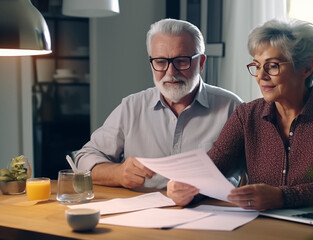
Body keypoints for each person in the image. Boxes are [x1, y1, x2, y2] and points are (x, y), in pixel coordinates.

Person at [167, 18, 313, 211]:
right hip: (260, 227)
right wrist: (187, 188)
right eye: (257, 66)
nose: (261, 76)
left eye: (272, 65)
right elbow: (211, 171)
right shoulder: (246, 115)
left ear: (306, 67)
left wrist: (283, 197)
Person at [75, 18, 243, 190]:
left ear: (200, 63)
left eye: (181, 61)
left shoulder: (233, 108)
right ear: (152, 63)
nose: (171, 72)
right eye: (161, 62)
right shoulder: (132, 107)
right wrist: (118, 173)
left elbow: (258, 173)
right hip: (142, 213)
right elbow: (84, 158)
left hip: (212, 212)